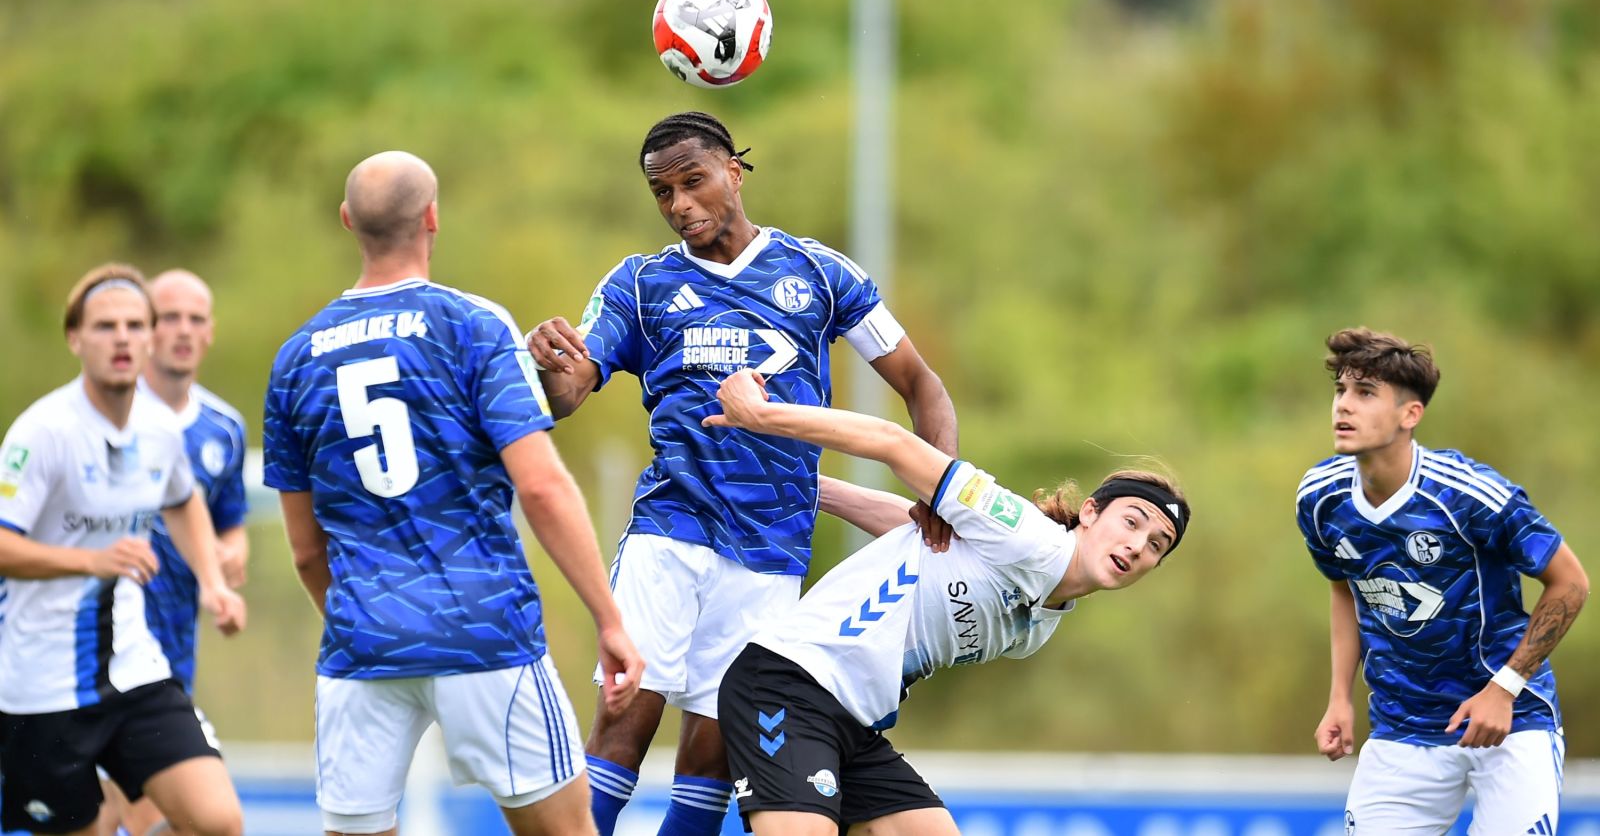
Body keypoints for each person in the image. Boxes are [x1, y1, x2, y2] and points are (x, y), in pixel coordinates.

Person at [524, 111, 958, 835]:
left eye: (693, 182)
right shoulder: (640, 284)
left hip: (770, 551)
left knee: (713, 757)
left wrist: (938, 490)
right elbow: (568, 396)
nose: (679, 206)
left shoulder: (820, 272)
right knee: (622, 727)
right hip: (671, 533)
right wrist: (551, 368)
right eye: (662, 193)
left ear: (735, 170)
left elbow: (923, 385)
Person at [263, 151, 644, 836]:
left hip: (362, 645)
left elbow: (303, 549)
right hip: (484, 632)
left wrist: (365, 620)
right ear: (432, 218)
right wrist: (609, 620)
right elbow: (543, 487)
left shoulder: (296, 358)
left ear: (348, 221)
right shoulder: (471, 325)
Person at [699, 368, 1190, 835]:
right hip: (789, 685)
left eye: (1156, 544)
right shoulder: (1028, 536)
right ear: (1090, 512)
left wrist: (812, 490)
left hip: (852, 724)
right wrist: (760, 416)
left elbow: (924, 539)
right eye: (1132, 521)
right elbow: (895, 443)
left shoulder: (1039, 627)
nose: (1136, 545)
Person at [1296, 327, 1589, 835]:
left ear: (1411, 415)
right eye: (1340, 391)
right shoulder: (1320, 498)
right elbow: (1344, 586)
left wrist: (1506, 687)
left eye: (1365, 393)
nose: (1344, 406)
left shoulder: (1470, 495)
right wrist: (1339, 697)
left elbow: (1571, 583)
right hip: (1402, 729)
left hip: (1509, 722)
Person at [0, 263, 248, 836]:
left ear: (150, 337)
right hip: (41, 685)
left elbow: (182, 498)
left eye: (135, 325)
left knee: (218, 821)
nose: (122, 339)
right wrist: (91, 560)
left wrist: (212, 582)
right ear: (75, 338)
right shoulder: (44, 432)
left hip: (135, 669)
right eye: (106, 326)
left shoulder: (160, 429)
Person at [94, 269, 252, 836]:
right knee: (167, 813)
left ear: (210, 332)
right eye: (169, 318)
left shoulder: (223, 429)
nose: (183, 330)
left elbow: (228, 524)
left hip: (171, 656)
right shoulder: (101, 418)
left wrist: (225, 563)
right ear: (145, 331)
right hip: (96, 659)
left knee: (132, 814)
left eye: (196, 318)